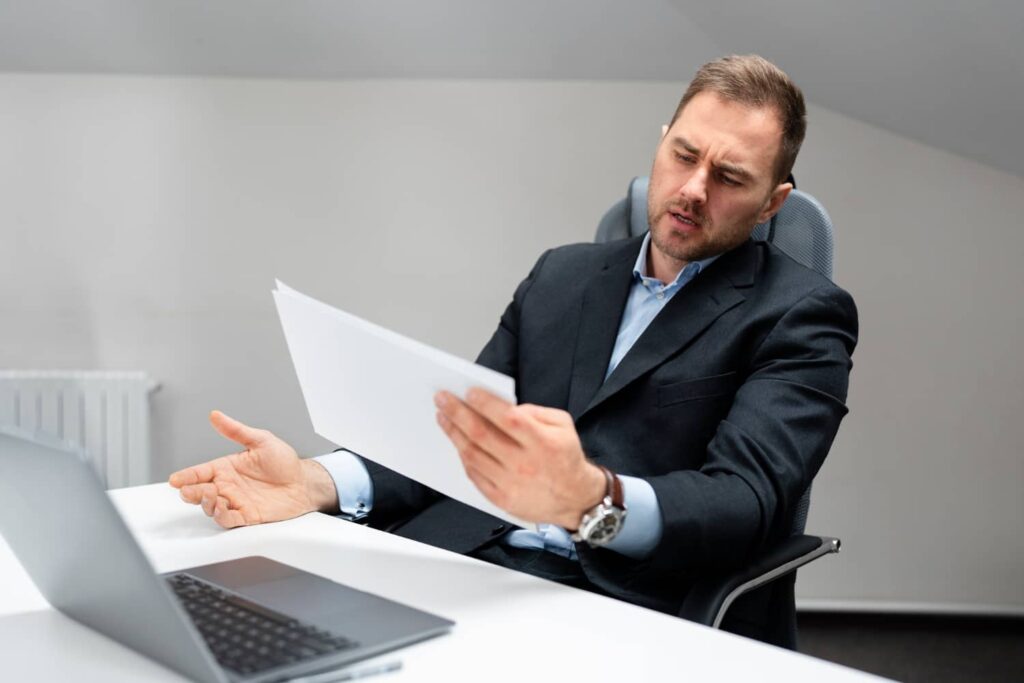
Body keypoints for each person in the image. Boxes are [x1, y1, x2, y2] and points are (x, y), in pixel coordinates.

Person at [170, 55, 858, 647]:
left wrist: (594, 500)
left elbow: (744, 499)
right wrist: (314, 481)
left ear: (772, 203)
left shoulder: (802, 314)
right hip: (468, 562)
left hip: (624, 601)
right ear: (661, 144)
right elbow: (458, 438)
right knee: (246, 630)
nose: (692, 189)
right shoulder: (562, 275)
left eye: (730, 177)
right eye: (684, 155)